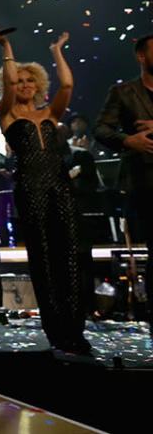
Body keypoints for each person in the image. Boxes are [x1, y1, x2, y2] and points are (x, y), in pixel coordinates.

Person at [0, 28, 90, 354]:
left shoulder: (50, 113)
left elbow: (69, 85)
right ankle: (57, 331)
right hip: (30, 188)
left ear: (38, 85)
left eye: (30, 80)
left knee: (71, 256)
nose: (25, 85)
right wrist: (5, 45)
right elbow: (7, 80)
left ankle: (76, 330)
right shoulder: (6, 114)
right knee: (43, 259)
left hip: (60, 186)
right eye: (19, 81)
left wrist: (57, 49)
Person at [95, 32, 153, 334]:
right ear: (140, 56)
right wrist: (128, 140)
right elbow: (101, 129)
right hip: (146, 182)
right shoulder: (124, 92)